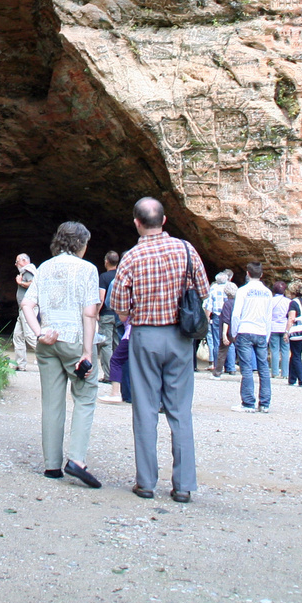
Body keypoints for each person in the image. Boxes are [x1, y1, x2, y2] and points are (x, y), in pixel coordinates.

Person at [109, 197, 208, 503]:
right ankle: (183, 486)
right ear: (164, 220)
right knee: (180, 411)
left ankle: (146, 482)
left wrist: (135, 317)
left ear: (137, 223)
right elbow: (202, 291)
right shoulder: (186, 249)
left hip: (145, 336)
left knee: (145, 410)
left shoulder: (131, 257)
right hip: (180, 337)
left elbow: (120, 306)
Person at [20, 221, 103, 488]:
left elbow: (27, 304)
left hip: (48, 341)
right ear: (80, 244)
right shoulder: (88, 269)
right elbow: (90, 313)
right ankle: (76, 460)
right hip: (74, 340)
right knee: (85, 397)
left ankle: (51, 465)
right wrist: (87, 352)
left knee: (52, 403)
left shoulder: (44, 267)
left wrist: (39, 333)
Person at [229, 262, 272, 412]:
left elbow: (236, 314)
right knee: (264, 368)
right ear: (261, 275)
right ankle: (265, 404)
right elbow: (269, 316)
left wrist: (234, 333)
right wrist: (267, 335)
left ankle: (248, 403)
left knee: (246, 368)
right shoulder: (267, 292)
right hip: (261, 331)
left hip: (245, 330)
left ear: (247, 274)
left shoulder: (243, 291)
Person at [96, 251, 121, 389]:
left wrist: (96, 313)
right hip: (119, 314)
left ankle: (108, 375)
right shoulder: (121, 275)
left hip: (106, 314)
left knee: (105, 344)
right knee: (118, 345)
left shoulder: (104, 277)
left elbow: (101, 298)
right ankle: (118, 374)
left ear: (106, 261)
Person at [205, 270, 236, 378]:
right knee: (230, 341)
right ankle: (231, 367)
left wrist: (207, 317)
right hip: (231, 317)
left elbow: (209, 305)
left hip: (218, 317)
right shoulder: (231, 287)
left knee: (217, 342)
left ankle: (218, 367)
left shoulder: (213, 288)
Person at [12, 253, 39, 370]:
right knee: (18, 335)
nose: (15, 264)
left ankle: (49, 356)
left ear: (23, 261)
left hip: (29, 309)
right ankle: (20, 364)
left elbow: (34, 284)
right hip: (22, 309)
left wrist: (20, 283)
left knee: (30, 335)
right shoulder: (26, 271)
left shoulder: (28, 271)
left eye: (17, 262)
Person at [267, 280, 291, 379]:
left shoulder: (270, 301)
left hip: (273, 327)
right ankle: (285, 373)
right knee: (285, 350)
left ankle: (275, 372)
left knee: (274, 350)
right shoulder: (288, 302)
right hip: (285, 327)